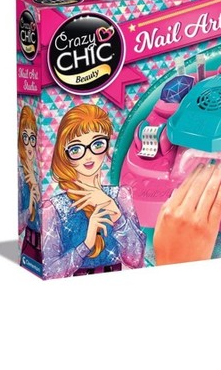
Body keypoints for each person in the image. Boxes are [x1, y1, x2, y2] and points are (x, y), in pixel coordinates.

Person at [43, 104, 146, 278]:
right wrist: (86, 244)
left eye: (97, 144)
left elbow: (136, 259)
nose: (88, 156)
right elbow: (49, 271)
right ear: (64, 153)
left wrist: (115, 213)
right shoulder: (54, 208)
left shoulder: (120, 196)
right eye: (76, 149)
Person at [18, 105, 42, 263]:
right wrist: (29, 209)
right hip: (29, 243)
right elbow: (18, 224)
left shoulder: (40, 174)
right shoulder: (21, 175)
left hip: (45, 245)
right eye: (25, 137)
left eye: (32, 138)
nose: (28, 146)